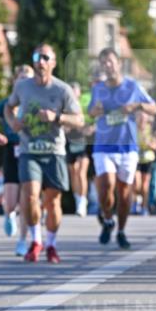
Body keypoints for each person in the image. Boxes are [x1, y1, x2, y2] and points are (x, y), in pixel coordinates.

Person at [4, 43, 83, 264]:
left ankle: (51, 244)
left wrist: (57, 118)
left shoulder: (62, 90)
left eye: (46, 57)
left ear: (53, 63)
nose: (41, 61)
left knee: (53, 203)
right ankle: (36, 240)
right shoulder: (22, 87)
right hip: (29, 150)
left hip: (54, 151)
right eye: (37, 57)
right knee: (30, 196)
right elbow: (8, 108)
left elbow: (79, 120)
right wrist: (14, 124)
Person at [89, 48, 156, 250]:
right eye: (103, 62)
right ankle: (108, 219)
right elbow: (91, 111)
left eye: (110, 61)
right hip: (103, 145)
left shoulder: (133, 86)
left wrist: (137, 105)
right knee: (106, 185)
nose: (107, 65)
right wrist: (97, 111)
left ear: (118, 64)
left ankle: (121, 231)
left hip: (127, 146)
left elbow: (153, 107)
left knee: (125, 191)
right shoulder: (98, 88)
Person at [0, 64, 34, 255]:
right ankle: (9, 214)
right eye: (21, 78)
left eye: (28, 78)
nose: (24, 82)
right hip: (11, 151)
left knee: (26, 199)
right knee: (11, 201)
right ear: (15, 81)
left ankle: (22, 241)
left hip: (30, 152)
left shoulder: (35, 102)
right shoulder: (6, 103)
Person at [65, 81, 95, 217]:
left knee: (81, 171)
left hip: (83, 142)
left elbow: (94, 121)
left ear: (79, 93)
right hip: (70, 142)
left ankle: (83, 202)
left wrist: (90, 129)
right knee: (73, 173)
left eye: (74, 91)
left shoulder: (84, 105)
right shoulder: (65, 107)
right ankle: (78, 199)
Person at [134, 111, 156, 215]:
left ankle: (144, 207)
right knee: (136, 183)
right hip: (135, 158)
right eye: (140, 118)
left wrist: (149, 144)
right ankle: (136, 202)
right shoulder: (133, 128)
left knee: (145, 185)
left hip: (148, 159)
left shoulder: (151, 130)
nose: (142, 121)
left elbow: (155, 146)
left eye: (144, 118)